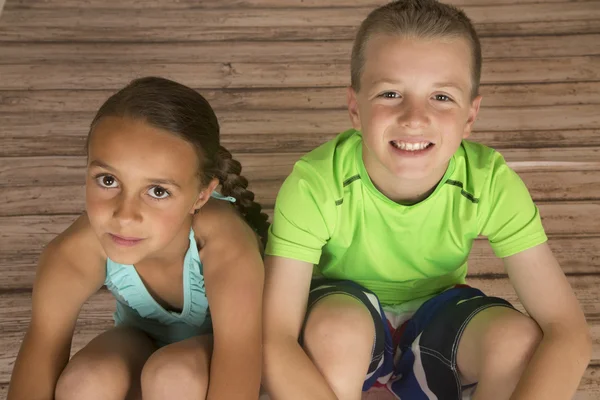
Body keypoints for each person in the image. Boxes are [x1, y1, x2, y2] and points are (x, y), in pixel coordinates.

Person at [262, 1, 591, 399]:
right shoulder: (315, 183)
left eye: (441, 97)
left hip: (437, 323)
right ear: (355, 108)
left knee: (518, 340)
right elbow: (275, 335)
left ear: (470, 116)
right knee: (338, 330)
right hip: (345, 325)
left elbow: (566, 329)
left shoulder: (488, 182)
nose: (414, 118)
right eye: (391, 93)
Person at [8, 77, 267, 400]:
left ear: (201, 195)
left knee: (172, 375)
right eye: (108, 180)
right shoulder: (72, 253)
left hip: (228, 369)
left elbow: (241, 357)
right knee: (85, 382)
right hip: (138, 346)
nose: (125, 215)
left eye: (158, 191)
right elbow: (38, 362)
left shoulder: (224, 244)